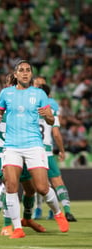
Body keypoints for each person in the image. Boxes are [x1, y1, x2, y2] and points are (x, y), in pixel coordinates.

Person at [0, 60, 69, 238]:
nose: (25, 73)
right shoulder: (6, 93)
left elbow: (50, 121)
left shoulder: (39, 94)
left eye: (28, 70)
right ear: (16, 74)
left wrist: (49, 116)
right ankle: (17, 228)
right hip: (11, 146)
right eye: (21, 70)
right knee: (11, 185)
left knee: (42, 187)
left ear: (31, 74)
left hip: (34, 145)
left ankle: (58, 213)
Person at [0, 73, 46, 236]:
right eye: (8, 84)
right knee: (10, 183)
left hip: (21, 147)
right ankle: (8, 224)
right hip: (1, 150)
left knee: (30, 189)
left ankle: (27, 219)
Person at [32, 76, 77, 222]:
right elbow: (56, 132)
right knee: (57, 181)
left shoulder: (30, 105)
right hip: (47, 150)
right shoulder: (51, 106)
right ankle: (66, 210)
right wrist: (62, 149)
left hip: (33, 149)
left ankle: (37, 210)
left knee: (38, 184)